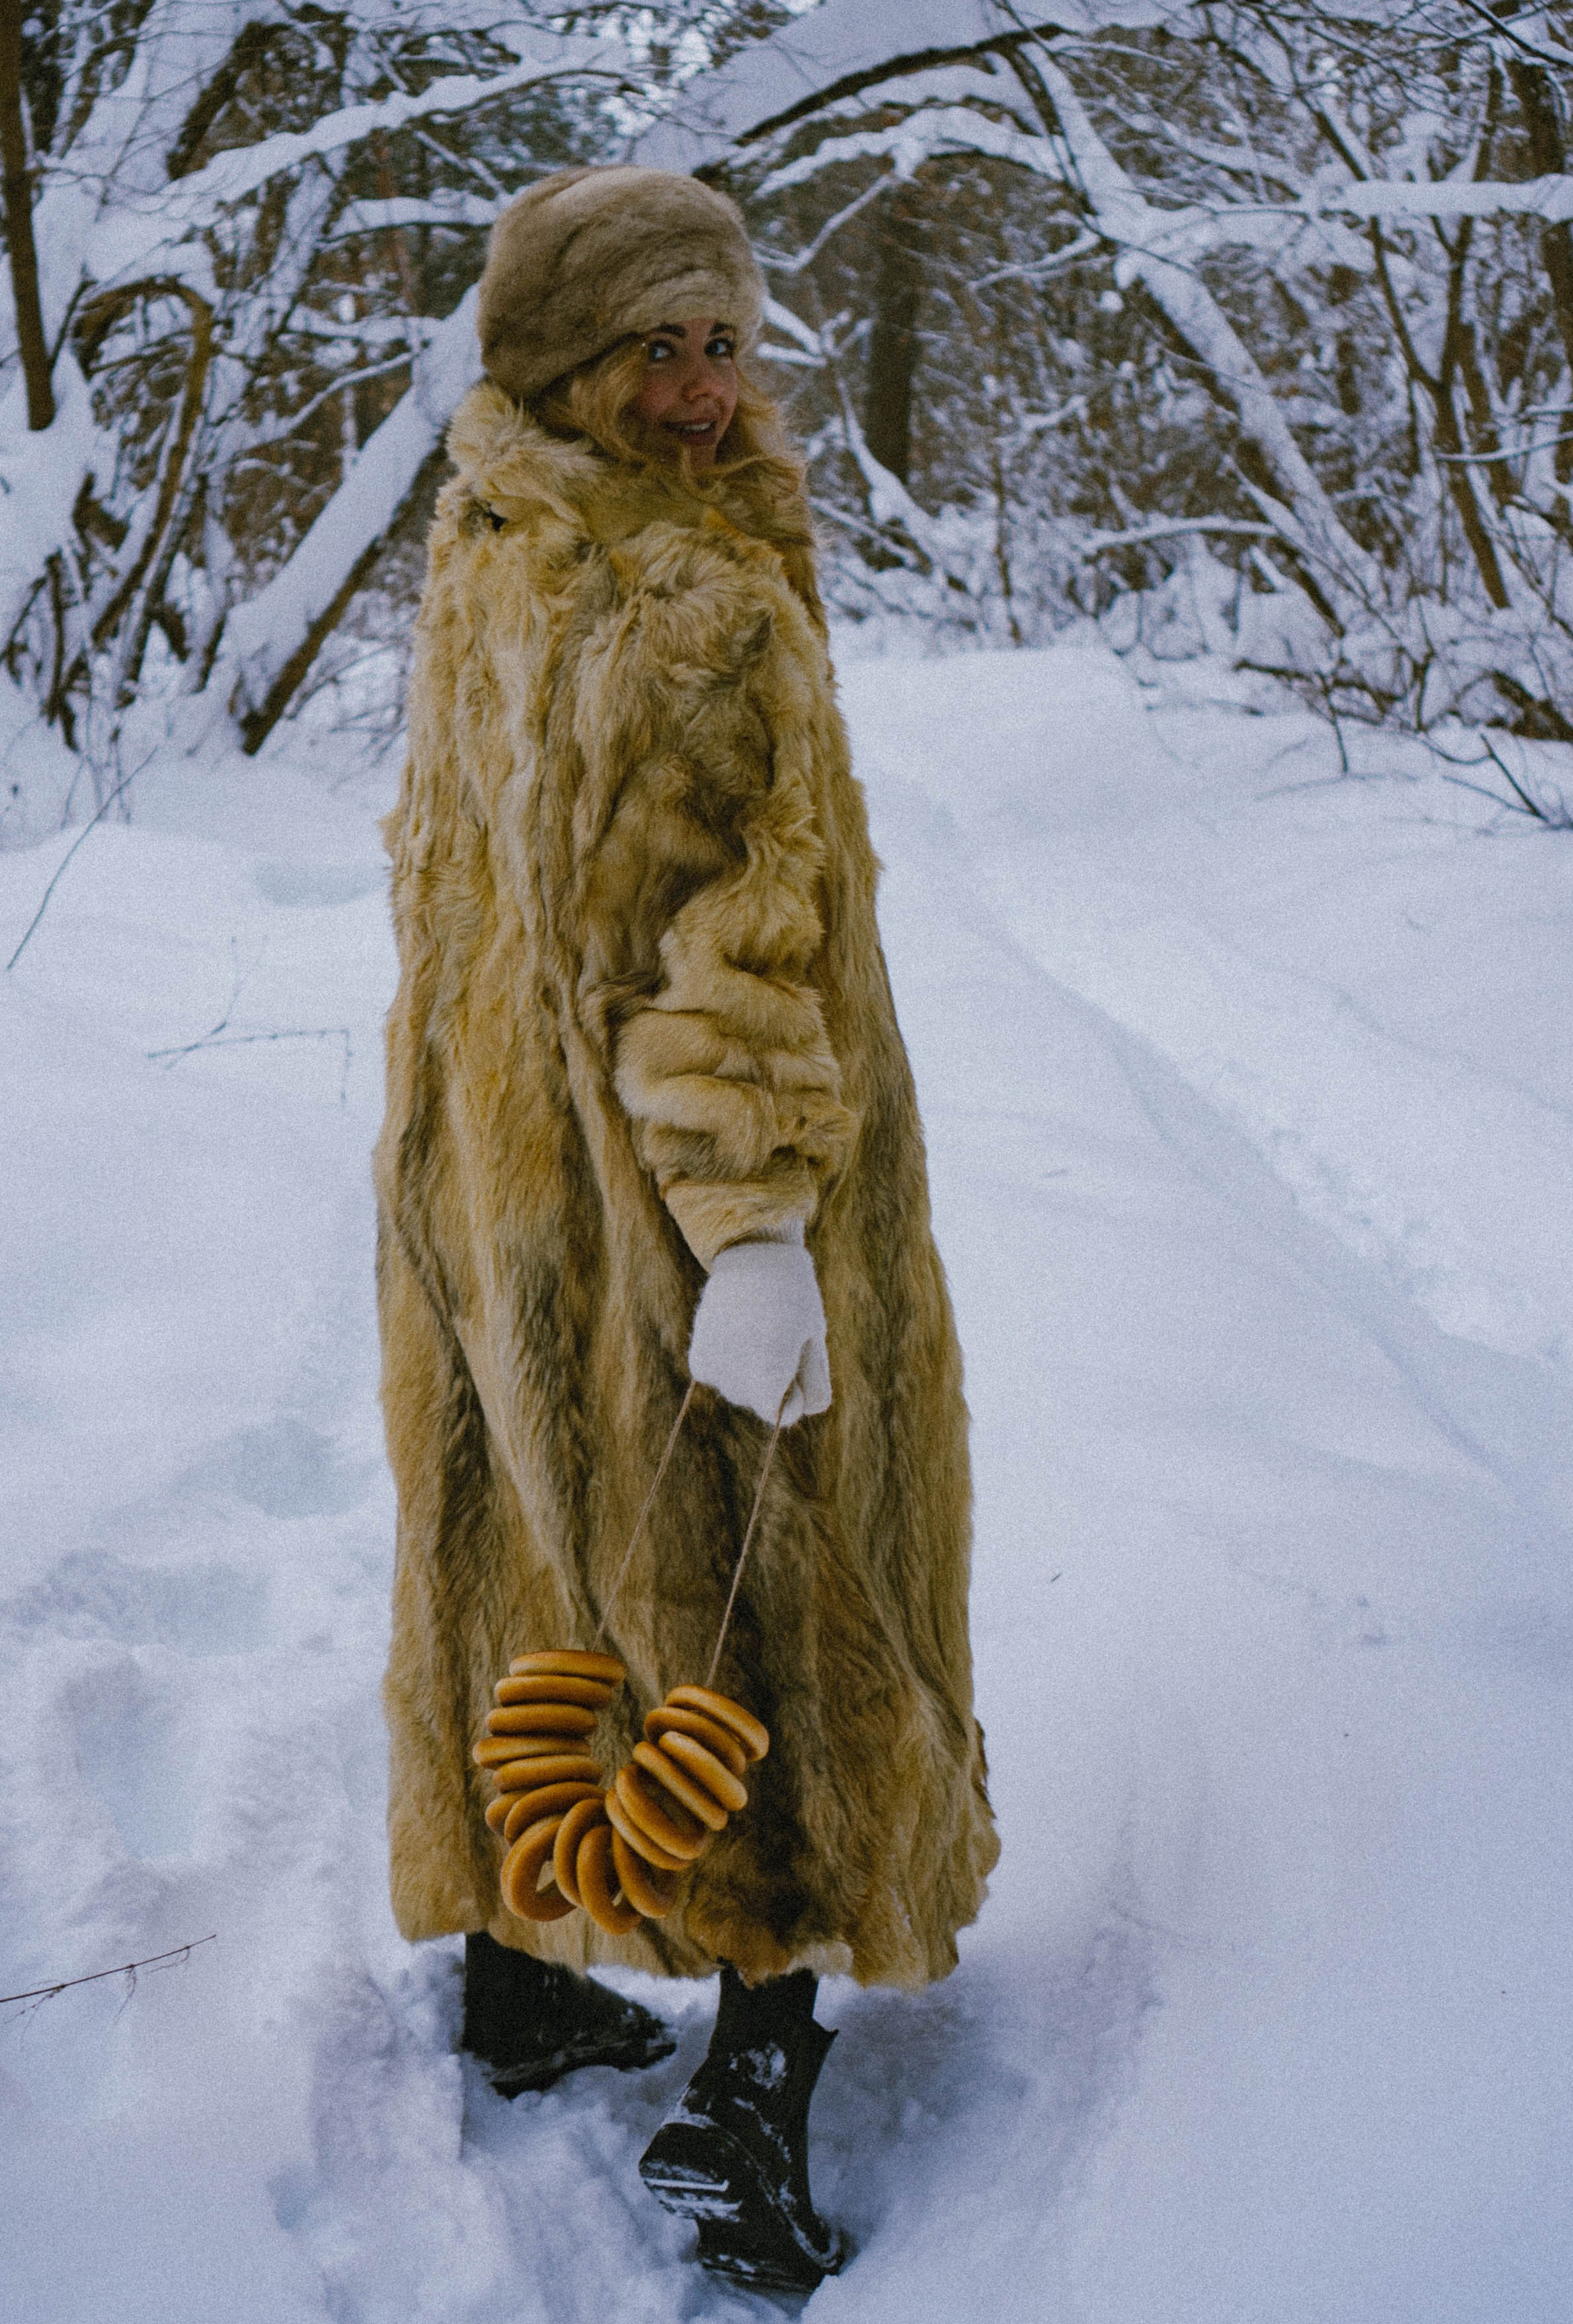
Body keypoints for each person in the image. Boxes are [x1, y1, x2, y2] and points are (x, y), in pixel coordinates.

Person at [374, 164, 998, 2295]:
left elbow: (487, 880)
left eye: (729, 342)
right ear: (564, 359)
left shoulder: (493, 529)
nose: (707, 391)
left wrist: (481, 1141)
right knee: (766, 1575)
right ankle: (750, 2086)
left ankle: (525, 1963)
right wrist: (753, 1230)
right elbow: (726, 944)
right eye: (661, 346)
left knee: (546, 1540)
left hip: (502, 1170)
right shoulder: (682, 599)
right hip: (676, 1189)